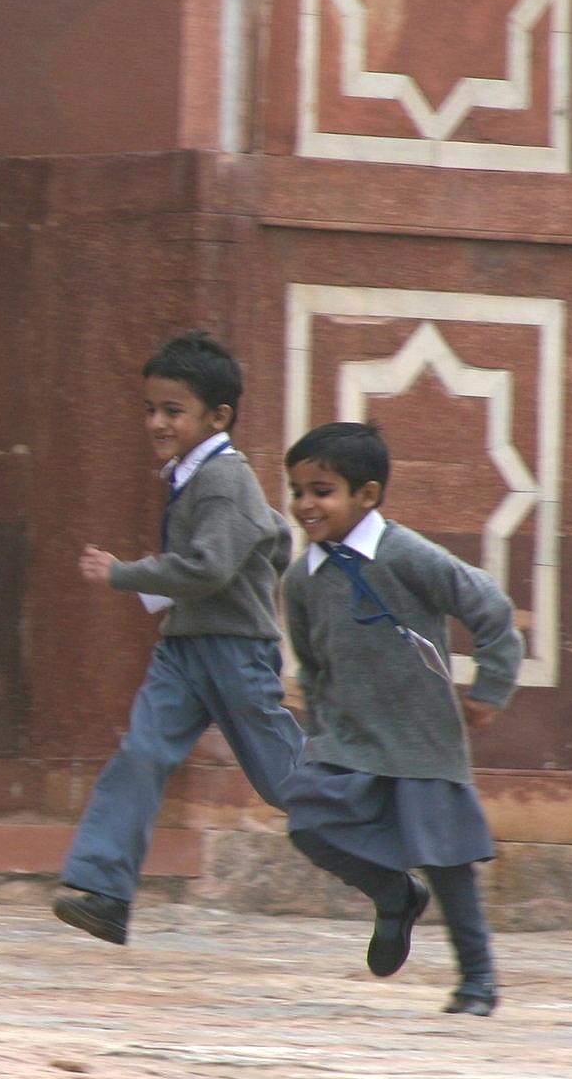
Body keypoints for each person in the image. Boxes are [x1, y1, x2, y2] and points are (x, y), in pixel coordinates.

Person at [51, 332, 306, 946]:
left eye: (172, 411)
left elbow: (208, 567)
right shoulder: (197, 476)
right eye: (150, 409)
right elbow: (269, 536)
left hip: (234, 650)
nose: (157, 422)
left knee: (287, 780)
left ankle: (387, 861)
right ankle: (106, 893)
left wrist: (124, 572)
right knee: (142, 752)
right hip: (186, 648)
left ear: (217, 416)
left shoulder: (224, 477)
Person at [278, 421, 522, 1015]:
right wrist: (319, 726)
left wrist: (489, 690)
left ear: (367, 495)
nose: (306, 504)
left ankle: (477, 981)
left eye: (322, 490)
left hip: (421, 741)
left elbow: (488, 606)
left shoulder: (406, 554)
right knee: (309, 824)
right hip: (350, 741)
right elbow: (311, 662)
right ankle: (393, 894)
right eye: (298, 490)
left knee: (449, 865)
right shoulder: (300, 579)